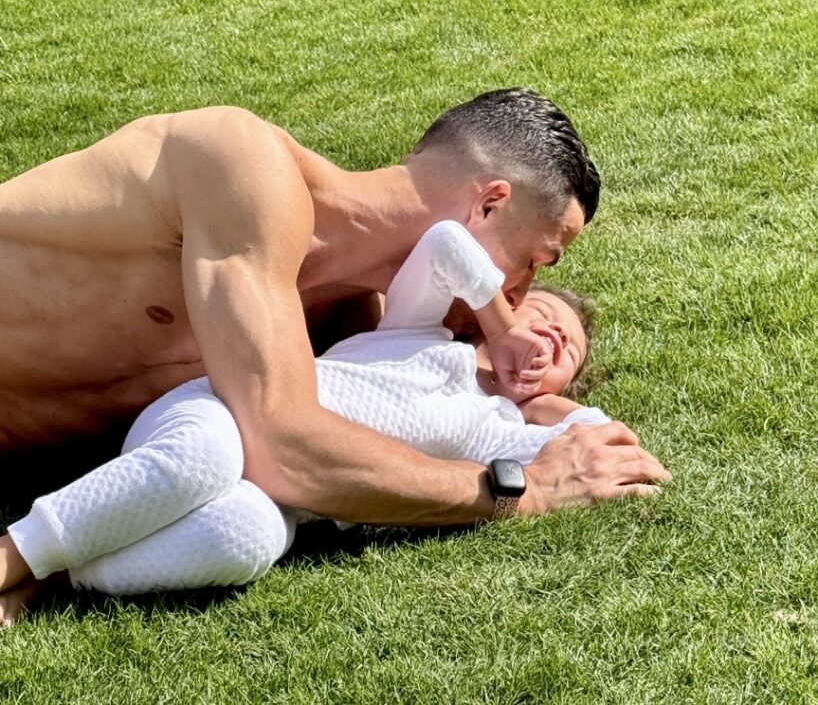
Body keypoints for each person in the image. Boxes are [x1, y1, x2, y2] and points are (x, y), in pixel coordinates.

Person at [0, 88, 668, 536]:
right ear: (488, 205)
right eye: (535, 261)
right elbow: (283, 449)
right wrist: (523, 489)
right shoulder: (241, 163)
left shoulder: (354, 327)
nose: (517, 298)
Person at [0, 220, 611, 619]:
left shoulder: (500, 433)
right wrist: (503, 328)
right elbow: (446, 241)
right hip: (223, 413)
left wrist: (544, 406)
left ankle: (60, 578)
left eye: (567, 351)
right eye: (545, 319)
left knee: (245, 541)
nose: (553, 339)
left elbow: (603, 445)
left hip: (285, 500)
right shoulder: (417, 330)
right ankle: (13, 555)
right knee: (207, 458)